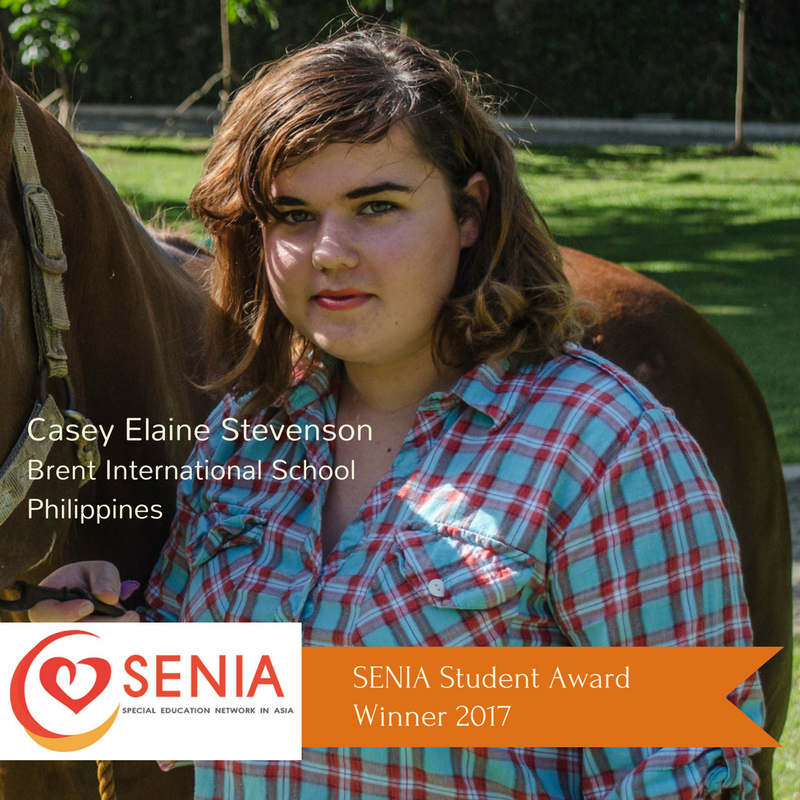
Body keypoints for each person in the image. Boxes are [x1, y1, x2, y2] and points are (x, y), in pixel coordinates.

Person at [32, 26, 762, 800]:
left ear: (469, 211)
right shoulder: (242, 438)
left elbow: (681, 777)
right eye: (293, 214)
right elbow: (214, 719)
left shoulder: (608, 448)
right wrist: (104, 646)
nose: (329, 251)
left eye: (376, 206)